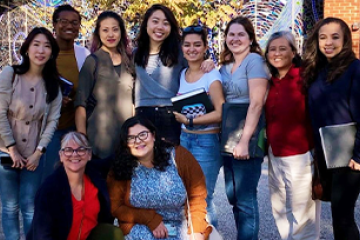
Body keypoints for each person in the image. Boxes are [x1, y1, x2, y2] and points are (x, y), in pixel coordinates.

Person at [0, 27, 62, 239]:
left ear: (52, 53)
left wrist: (39, 152)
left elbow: (53, 121)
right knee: (9, 207)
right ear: (27, 48)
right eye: (36, 44)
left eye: (46, 46)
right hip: (5, 151)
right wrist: (11, 148)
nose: (41, 50)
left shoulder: (54, 84)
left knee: (30, 206)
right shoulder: (10, 74)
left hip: (34, 154)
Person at [107, 116, 212, 240]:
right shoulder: (121, 168)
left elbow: (197, 197)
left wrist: (197, 230)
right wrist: (150, 219)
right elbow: (116, 207)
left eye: (143, 134)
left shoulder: (179, 157)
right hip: (139, 226)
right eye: (131, 138)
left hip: (181, 225)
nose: (138, 141)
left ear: (154, 135)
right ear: (125, 144)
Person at [303, 17, 360, 240]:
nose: (328, 42)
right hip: (326, 153)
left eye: (335, 37)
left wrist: (358, 155)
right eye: (323, 37)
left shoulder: (355, 69)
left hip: (349, 157)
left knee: (343, 217)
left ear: (345, 40)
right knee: (338, 215)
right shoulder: (318, 70)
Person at [264, 31, 321, 239]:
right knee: (279, 210)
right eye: (272, 49)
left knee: (303, 215)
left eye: (282, 48)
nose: (276, 53)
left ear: (293, 51)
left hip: (300, 155)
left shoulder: (305, 76)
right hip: (274, 154)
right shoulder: (270, 81)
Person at [133, 4, 214, 145]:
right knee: (144, 162)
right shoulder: (136, 53)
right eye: (155, 21)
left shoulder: (178, 51)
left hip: (170, 114)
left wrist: (208, 62)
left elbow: (195, 62)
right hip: (142, 114)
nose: (160, 27)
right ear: (146, 24)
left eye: (166, 23)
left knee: (171, 162)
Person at [219, 16, 269, 240]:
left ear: (250, 39)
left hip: (247, 133)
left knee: (246, 199)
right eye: (231, 34)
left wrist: (244, 140)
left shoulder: (254, 61)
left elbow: (257, 103)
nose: (235, 38)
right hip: (227, 135)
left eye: (241, 34)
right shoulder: (225, 67)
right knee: (232, 195)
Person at [173, 25, 224, 227]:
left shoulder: (212, 75)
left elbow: (220, 113)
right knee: (187, 196)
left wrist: (190, 121)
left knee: (203, 199)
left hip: (206, 142)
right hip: (185, 139)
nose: (191, 49)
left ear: (205, 47)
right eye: (187, 45)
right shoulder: (181, 73)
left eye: (197, 45)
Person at [27, 132, 115, 240]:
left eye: (81, 149)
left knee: (113, 232)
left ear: (89, 155)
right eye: (68, 150)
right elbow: (42, 234)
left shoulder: (93, 172)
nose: (74, 154)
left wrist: (133, 138)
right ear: (61, 155)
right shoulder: (50, 188)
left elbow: (115, 159)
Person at [75, 11, 134, 161]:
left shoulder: (129, 61)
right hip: (99, 141)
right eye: (105, 30)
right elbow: (80, 106)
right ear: (98, 33)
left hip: (126, 140)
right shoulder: (92, 62)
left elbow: (132, 102)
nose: (111, 34)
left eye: (115, 29)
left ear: (121, 31)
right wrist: (82, 143)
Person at [43, 4, 91, 181]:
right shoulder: (43, 53)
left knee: (75, 180)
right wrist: (52, 101)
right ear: (54, 24)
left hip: (75, 129)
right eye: (63, 21)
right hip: (48, 131)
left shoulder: (83, 54)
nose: (69, 26)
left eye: (75, 22)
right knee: (49, 179)